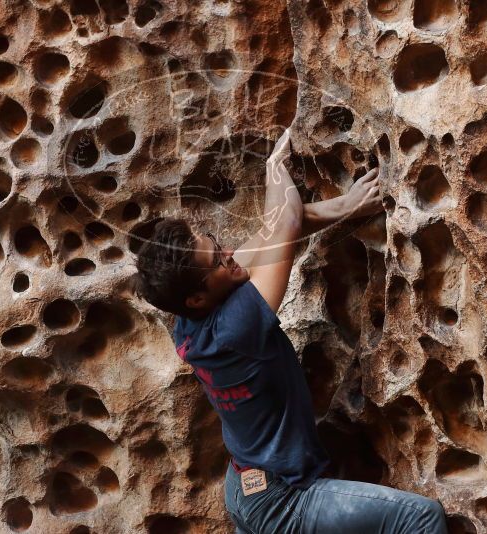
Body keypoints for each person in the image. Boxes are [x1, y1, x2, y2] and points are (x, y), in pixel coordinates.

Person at [133, 126, 448, 533]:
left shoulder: (189, 322)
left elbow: (274, 234)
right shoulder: (239, 325)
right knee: (421, 519)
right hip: (281, 501)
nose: (228, 252)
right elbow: (285, 220)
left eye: (214, 242)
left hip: (245, 490)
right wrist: (273, 168)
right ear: (196, 296)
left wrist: (347, 207)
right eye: (216, 258)